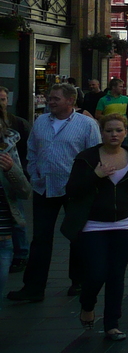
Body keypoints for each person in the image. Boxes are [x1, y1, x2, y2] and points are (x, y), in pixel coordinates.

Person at [6, 84, 100, 303]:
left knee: (76, 236)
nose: (51, 101)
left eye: (56, 98)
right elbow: (32, 149)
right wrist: (33, 172)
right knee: (40, 239)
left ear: (70, 100)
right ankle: (33, 287)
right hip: (44, 186)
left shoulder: (86, 124)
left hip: (74, 189)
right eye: (50, 98)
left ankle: (79, 281)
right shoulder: (41, 122)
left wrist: (88, 182)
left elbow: (94, 154)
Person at [66, 114, 128, 340]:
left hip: (125, 222)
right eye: (109, 130)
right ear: (101, 133)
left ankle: (112, 323)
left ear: (125, 132)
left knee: (116, 274)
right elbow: (73, 190)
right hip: (94, 224)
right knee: (95, 273)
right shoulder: (87, 158)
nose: (114, 135)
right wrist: (96, 175)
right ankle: (87, 304)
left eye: (119, 130)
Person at [0, 86, 32, 275]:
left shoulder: (17, 124)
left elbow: (28, 150)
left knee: (16, 216)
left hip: (11, 178)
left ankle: (21, 254)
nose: (1, 103)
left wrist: (19, 172)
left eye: (3, 99)